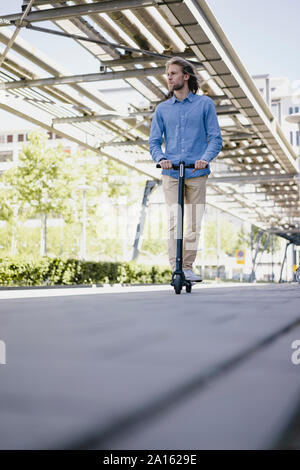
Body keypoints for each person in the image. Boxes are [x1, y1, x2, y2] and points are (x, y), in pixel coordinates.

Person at [149, 57, 222, 281]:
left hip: (196, 172)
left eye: (173, 73)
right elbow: (153, 142)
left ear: (186, 76)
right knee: (174, 220)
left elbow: (215, 139)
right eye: (168, 74)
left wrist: (204, 158)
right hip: (171, 173)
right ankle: (175, 269)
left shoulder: (204, 104)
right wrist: (161, 158)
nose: (169, 78)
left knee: (192, 221)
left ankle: (187, 267)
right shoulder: (162, 109)